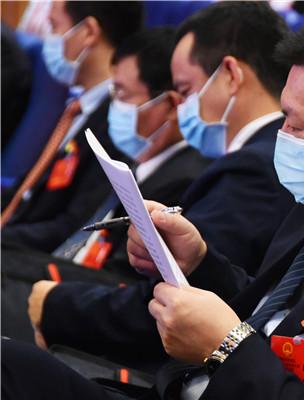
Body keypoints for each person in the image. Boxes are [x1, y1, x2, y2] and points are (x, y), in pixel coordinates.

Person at [3, 6, 304, 399]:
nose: (282, 137)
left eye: (295, 125)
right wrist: (199, 263)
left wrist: (226, 349)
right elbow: (270, 312)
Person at [24, 2, 295, 366]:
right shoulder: (257, 159)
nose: (181, 108)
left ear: (231, 75)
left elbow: (181, 300)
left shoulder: (254, 168)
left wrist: (55, 307)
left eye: (186, 90)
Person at [1, 27, 212, 343]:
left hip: (87, 310)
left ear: (170, 104)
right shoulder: (137, 160)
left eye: (123, 95)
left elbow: (121, 281)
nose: (114, 108)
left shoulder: (182, 178)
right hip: (65, 277)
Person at [1, 1, 143, 252]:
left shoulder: (119, 126)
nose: (49, 39)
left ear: (88, 32)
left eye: (55, 26)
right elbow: (26, 191)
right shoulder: (76, 106)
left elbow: (72, 227)